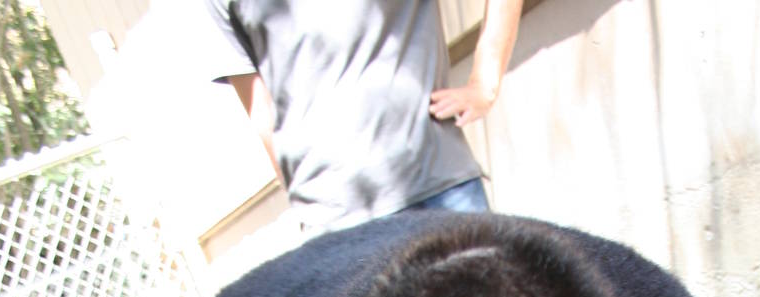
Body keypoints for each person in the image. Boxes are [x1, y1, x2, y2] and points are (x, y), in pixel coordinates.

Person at [199, 1, 522, 235]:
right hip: (333, 225)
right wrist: (310, 200)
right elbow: (260, 109)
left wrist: (485, 83)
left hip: (438, 189)